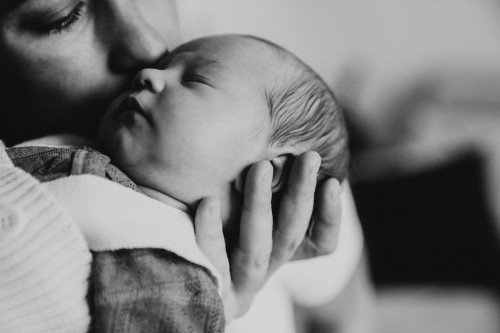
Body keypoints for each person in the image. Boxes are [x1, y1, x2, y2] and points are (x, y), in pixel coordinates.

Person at [0, 1, 370, 332]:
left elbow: (347, 319)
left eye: (195, 79)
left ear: (269, 174)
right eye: (63, 16)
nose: (149, 52)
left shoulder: (275, 140)